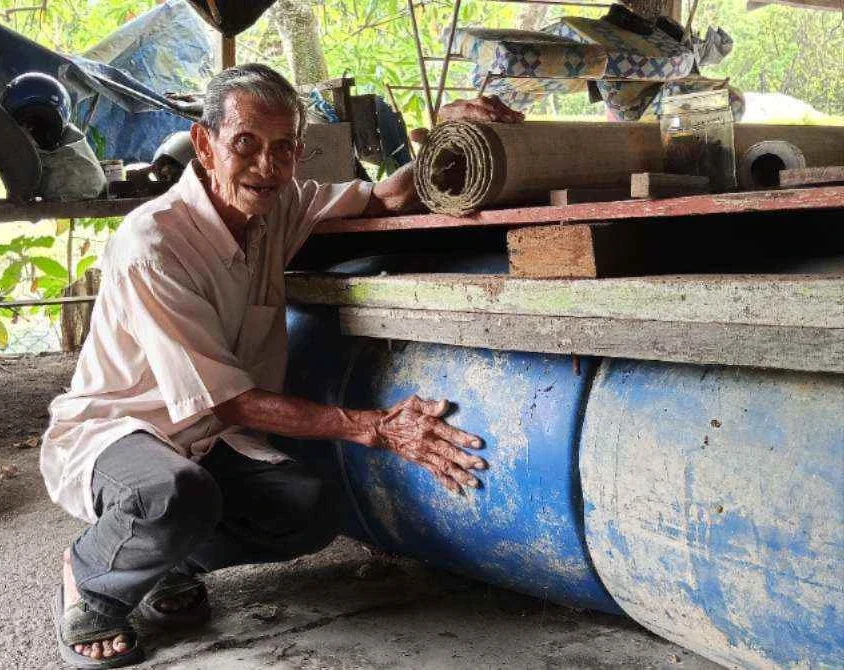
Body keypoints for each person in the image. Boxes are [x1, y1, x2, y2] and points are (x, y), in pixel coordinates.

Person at [42, 63, 523, 668]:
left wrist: (448, 139)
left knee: (308, 509)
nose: (265, 166)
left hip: (208, 437)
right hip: (121, 432)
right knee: (173, 494)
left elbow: (386, 196)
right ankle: (90, 579)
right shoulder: (154, 245)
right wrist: (377, 427)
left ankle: (162, 563)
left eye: (284, 148)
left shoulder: (278, 206)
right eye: (245, 143)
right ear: (205, 144)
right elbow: (229, 400)